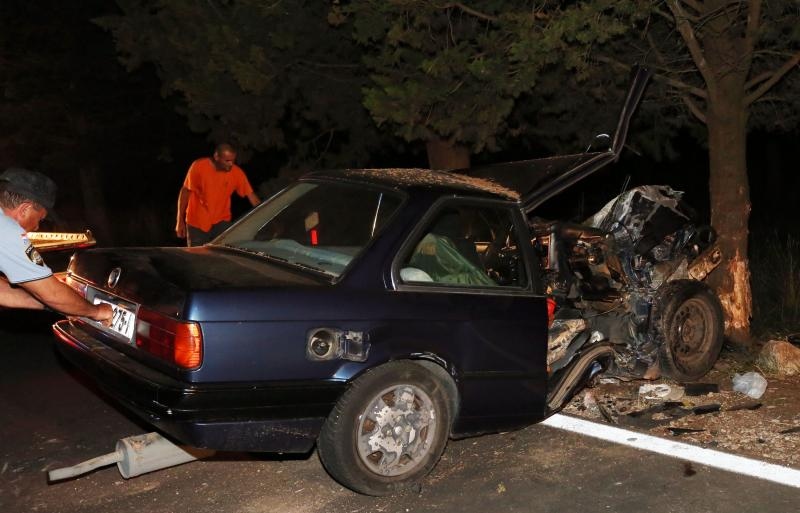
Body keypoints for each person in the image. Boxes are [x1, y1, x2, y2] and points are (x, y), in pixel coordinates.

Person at [0, 167, 113, 322]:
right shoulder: (7, 230)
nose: (37, 227)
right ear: (25, 209)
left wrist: (60, 305)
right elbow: (50, 292)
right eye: (40, 219)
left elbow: (2, 292)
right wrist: (97, 312)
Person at [175, 143, 261, 246]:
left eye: (233, 160)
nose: (231, 164)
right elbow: (185, 192)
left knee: (225, 251)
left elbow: (253, 198)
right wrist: (179, 220)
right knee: (198, 254)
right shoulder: (199, 166)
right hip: (197, 221)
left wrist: (267, 218)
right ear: (216, 157)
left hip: (221, 221)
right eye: (227, 161)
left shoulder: (236, 173)